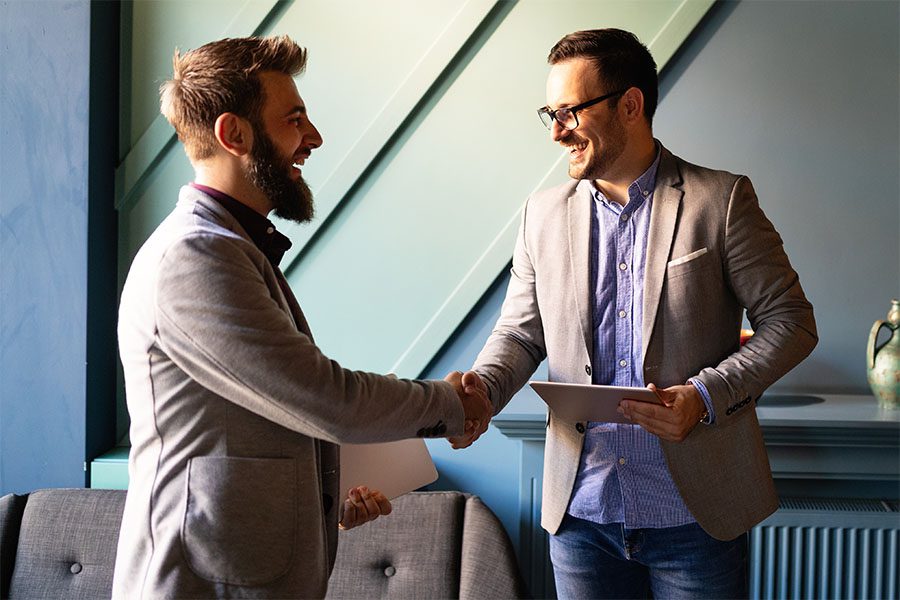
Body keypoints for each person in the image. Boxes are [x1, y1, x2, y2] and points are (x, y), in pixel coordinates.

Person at [112, 35, 491, 599]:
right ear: (233, 134)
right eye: (295, 119)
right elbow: (322, 397)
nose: (314, 138)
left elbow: (261, 416)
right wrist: (450, 406)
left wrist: (326, 495)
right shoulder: (195, 257)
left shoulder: (230, 247)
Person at [457, 28, 817, 598]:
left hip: (695, 520)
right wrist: (476, 393)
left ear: (630, 104)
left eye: (570, 111)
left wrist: (703, 397)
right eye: (549, 113)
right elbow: (521, 334)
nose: (556, 131)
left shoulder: (721, 201)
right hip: (580, 517)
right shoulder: (540, 215)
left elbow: (791, 322)